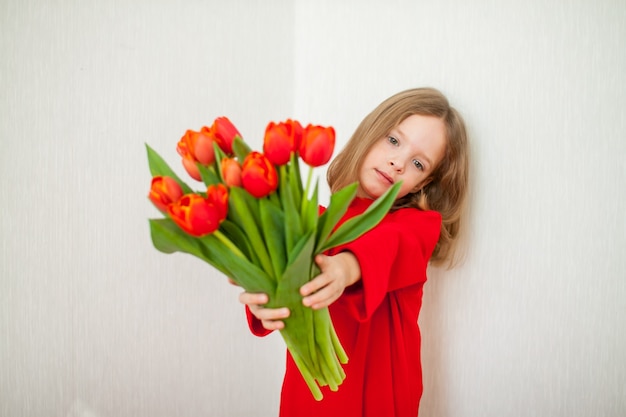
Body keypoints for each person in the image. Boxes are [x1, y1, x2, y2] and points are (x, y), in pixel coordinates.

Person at [240, 87, 469, 417]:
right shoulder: (311, 224)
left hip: (381, 402)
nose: (398, 162)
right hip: (310, 402)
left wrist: (345, 268)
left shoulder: (417, 226)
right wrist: (266, 298)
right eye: (393, 140)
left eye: (418, 163)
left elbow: (388, 247)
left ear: (422, 183)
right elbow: (278, 291)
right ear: (372, 132)